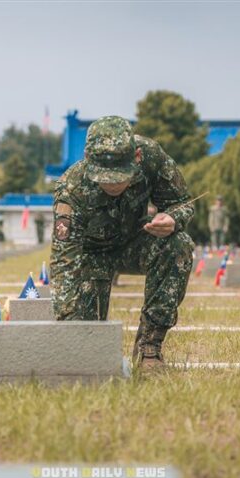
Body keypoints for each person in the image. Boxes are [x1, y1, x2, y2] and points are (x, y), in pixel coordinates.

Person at [50, 116, 194, 370]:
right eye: (103, 177)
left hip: (134, 242)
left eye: (119, 176)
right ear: (86, 158)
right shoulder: (70, 189)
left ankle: (150, 348)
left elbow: (182, 202)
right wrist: (68, 323)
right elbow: (64, 262)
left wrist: (172, 218)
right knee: (85, 352)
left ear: (136, 156)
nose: (112, 183)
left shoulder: (152, 157)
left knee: (178, 244)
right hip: (91, 256)